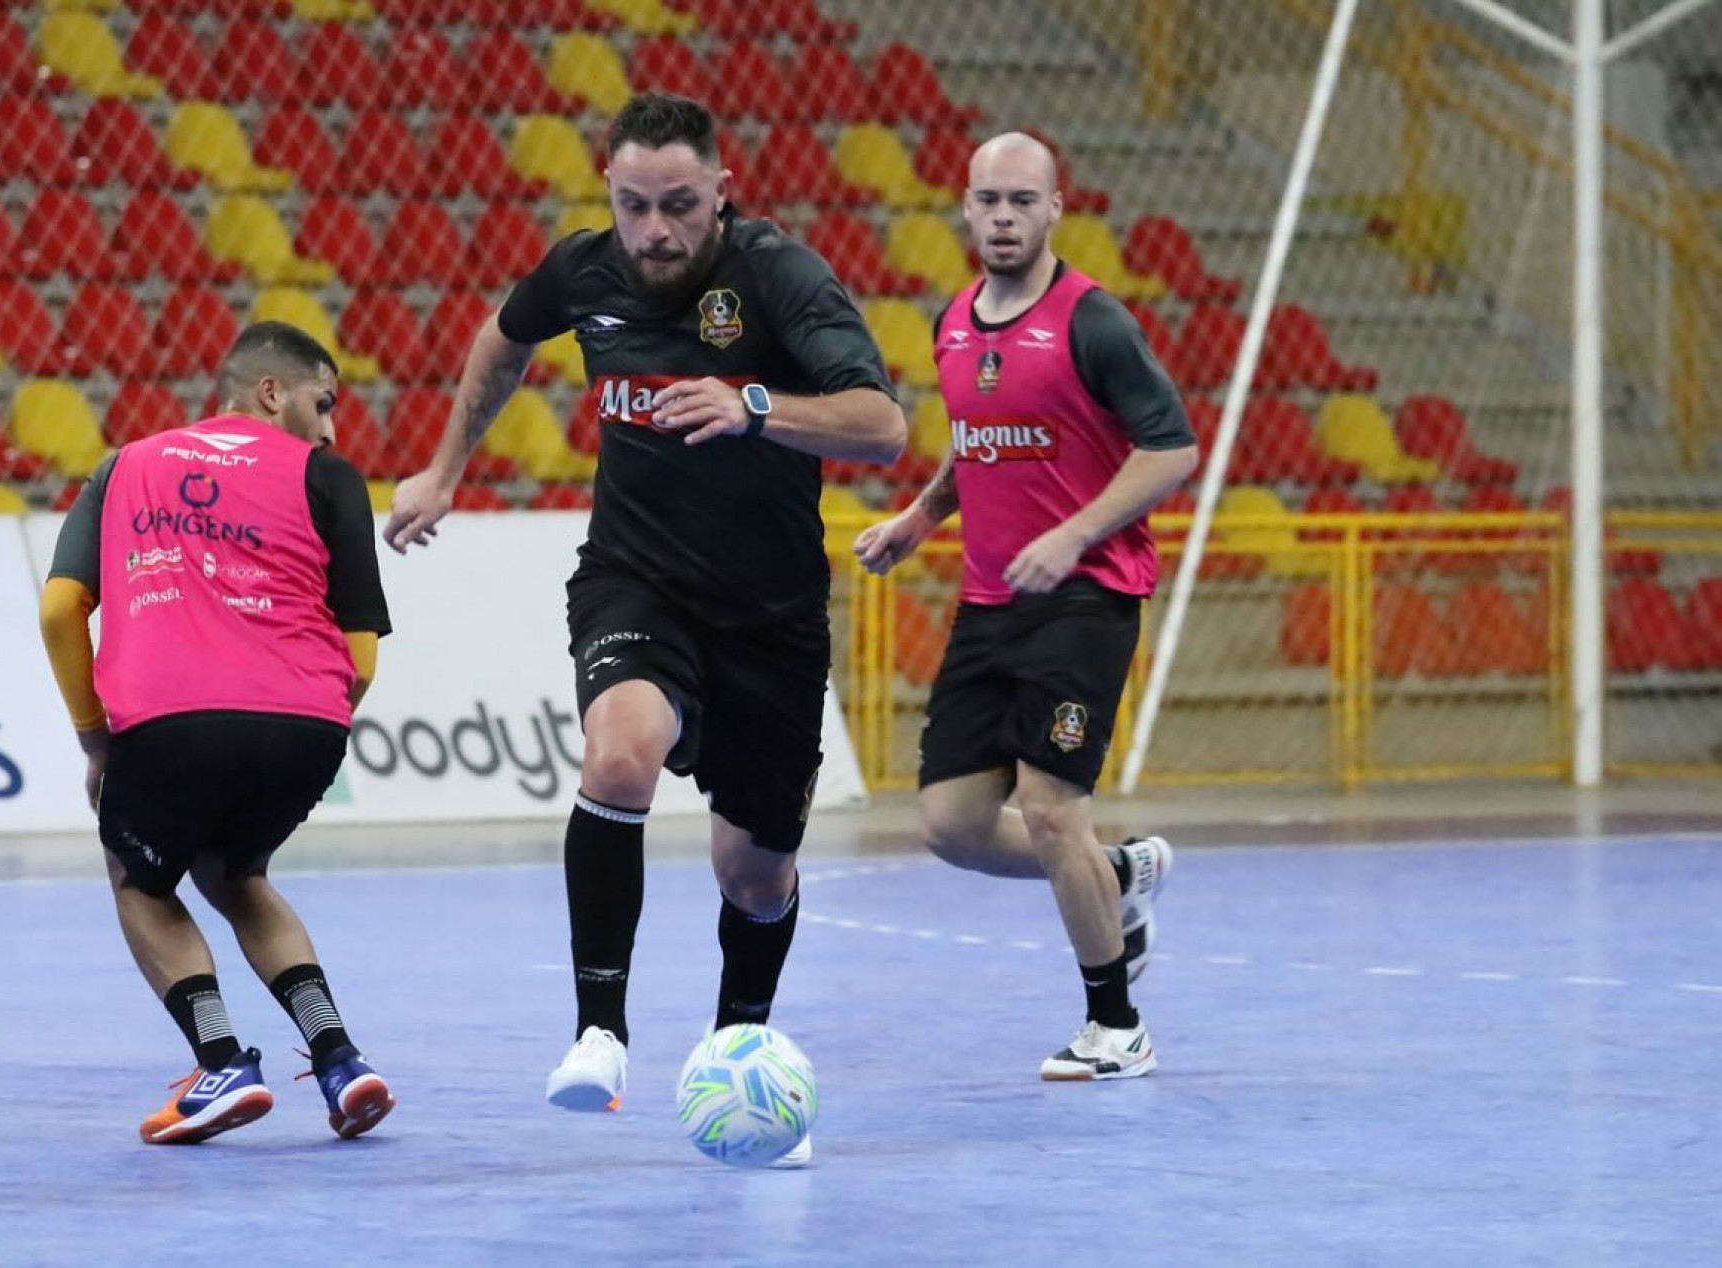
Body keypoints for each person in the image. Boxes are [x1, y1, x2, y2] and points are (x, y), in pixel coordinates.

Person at [383, 93, 906, 1161]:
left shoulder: (779, 279)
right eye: (634, 205)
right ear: (609, 196)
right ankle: (598, 1034)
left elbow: (883, 426)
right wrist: (444, 470)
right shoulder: (586, 271)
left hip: (770, 619)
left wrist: (755, 406)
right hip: (635, 583)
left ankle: (737, 1047)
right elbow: (501, 335)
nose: (655, 229)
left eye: (677, 205)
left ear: (721, 190)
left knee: (752, 876)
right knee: (619, 755)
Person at [853, 133, 1198, 1080]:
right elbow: (977, 444)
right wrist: (920, 518)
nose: (1002, 218)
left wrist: (1075, 533)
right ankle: (1118, 875)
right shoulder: (953, 321)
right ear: (964, 210)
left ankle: (1116, 1026)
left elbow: (1171, 449)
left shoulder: (1094, 323)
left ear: (1054, 210)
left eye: (1021, 201)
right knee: (954, 826)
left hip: (1084, 598)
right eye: (986, 201)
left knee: (1051, 811)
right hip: (988, 601)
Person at [39, 321, 398, 1143]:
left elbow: (59, 610)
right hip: (307, 727)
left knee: (139, 874)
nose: (333, 426)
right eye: (324, 401)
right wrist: (308, 721)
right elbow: (362, 659)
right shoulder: (331, 477)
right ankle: (340, 1059)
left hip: (170, 725)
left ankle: (222, 1060)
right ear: (271, 392)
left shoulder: (121, 467)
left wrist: (98, 742)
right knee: (235, 873)